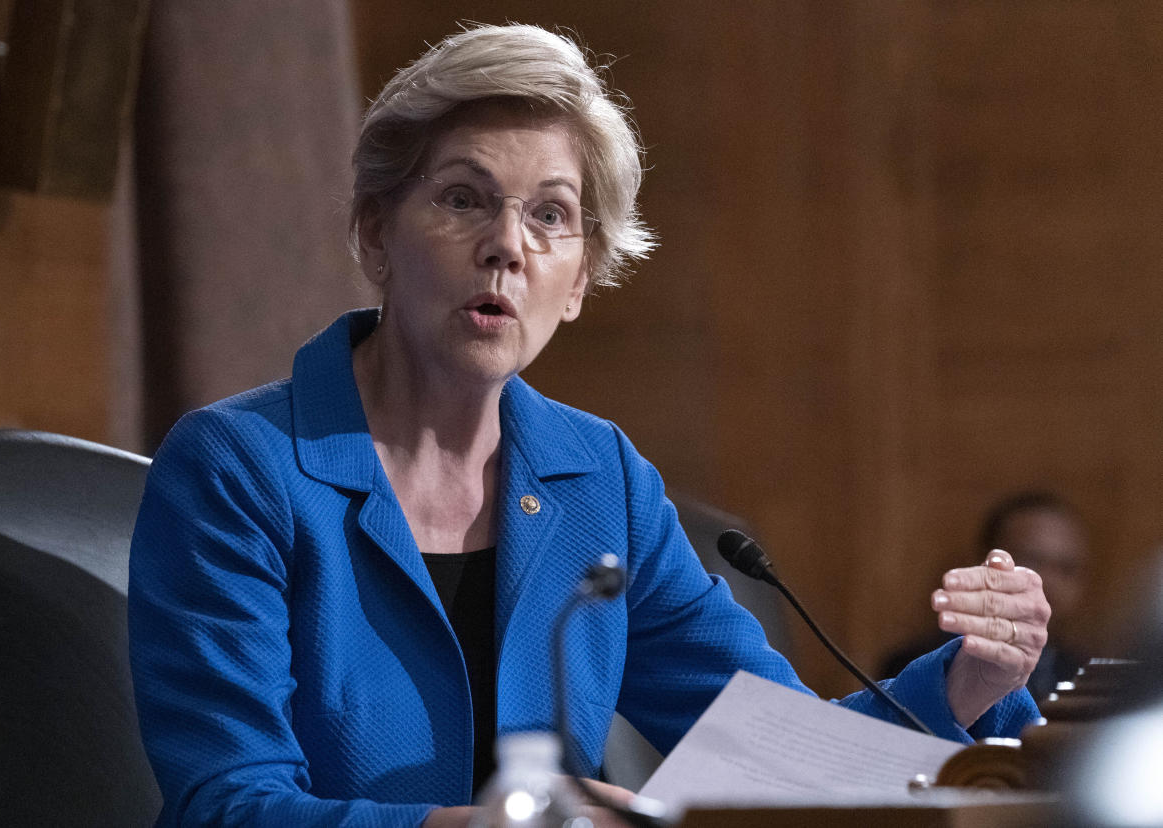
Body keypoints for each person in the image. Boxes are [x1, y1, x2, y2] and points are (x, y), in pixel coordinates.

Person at [128, 24, 1051, 828]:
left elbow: (786, 768)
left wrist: (969, 678)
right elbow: (227, 802)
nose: (508, 246)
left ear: (578, 283)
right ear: (376, 234)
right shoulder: (238, 469)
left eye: (551, 217)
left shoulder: (596, 476)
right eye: (463, 198)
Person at [880, 490, 1087, 700]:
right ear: (985, 563)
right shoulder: (915, 666)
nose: (1047, 582)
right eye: (1032, 561)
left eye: (1066, 569)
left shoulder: (1088, 676)